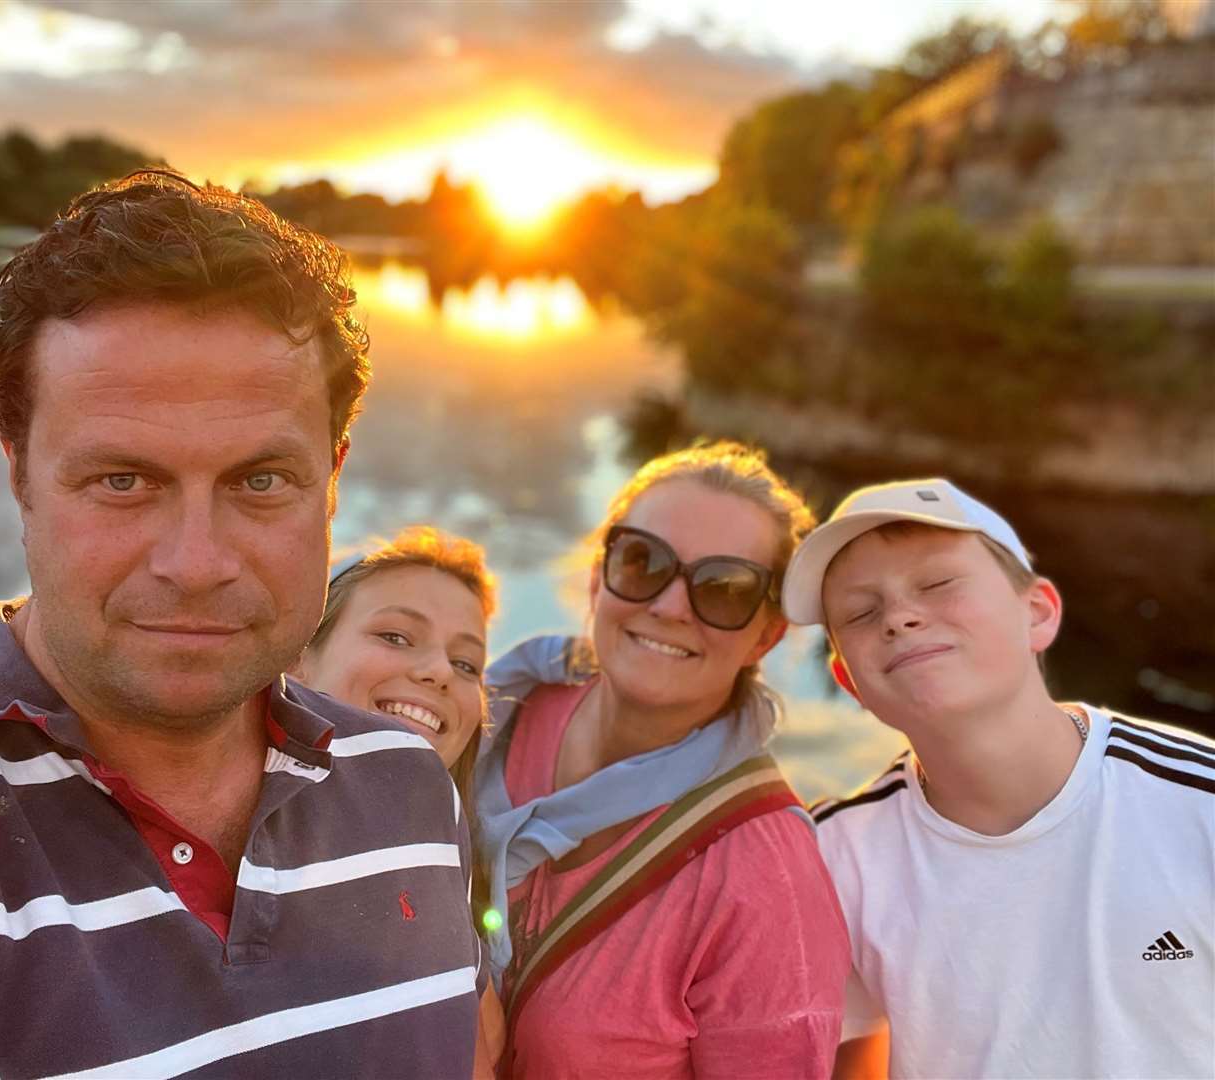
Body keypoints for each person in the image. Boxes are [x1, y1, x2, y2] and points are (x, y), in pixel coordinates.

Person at [0, 171, 485, 1076]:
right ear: (18, 472)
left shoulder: (411, 787)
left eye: (260, 481)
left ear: (333, 477)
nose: (196, 563)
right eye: (123, 480)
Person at [781, 478, 1215, 1079]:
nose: (900, 617)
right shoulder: (833, 857)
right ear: (850, 681)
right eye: (860, 612)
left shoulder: (1198, 805)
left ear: (1036, 613)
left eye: (937, 585)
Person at [474, 441, 849, 1078]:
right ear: (599, 576)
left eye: (725, 589)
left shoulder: (765, 880)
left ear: (767, 634)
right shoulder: (488, 715)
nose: (671, 607)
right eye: (643, 561)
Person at [294, 525, 507, 1069]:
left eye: (466, 665)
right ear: (297, 659)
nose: (439, 672)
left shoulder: (441, 861)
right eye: (395, 637)